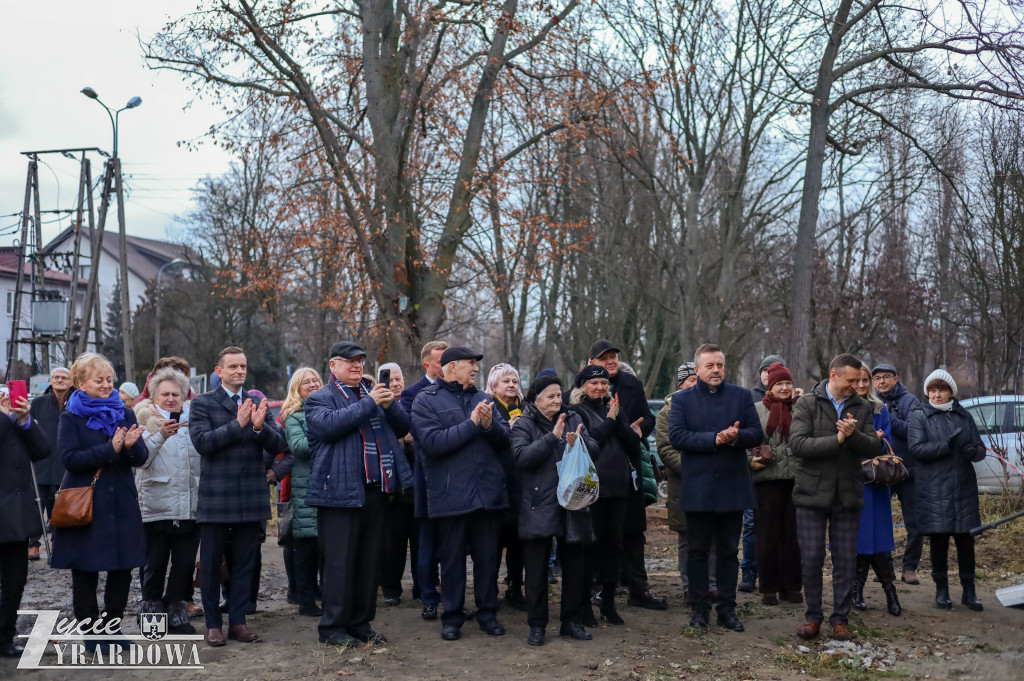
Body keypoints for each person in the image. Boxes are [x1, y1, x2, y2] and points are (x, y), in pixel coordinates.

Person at [306, 342, 414, 647]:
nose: (357, 365)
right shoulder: (319, 399)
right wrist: (370, 404)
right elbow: (329, 427)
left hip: (376, 490)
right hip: (338, 492)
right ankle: (332, 628)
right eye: (350, 361)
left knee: (369, 562)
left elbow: (404, 427)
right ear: (333, 365)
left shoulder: (374, 394)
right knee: (340, 563)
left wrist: (390, 404)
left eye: (361, 361)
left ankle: (361, 622)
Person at [411, 346, 511, 641]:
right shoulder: (424, 401)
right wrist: (471, 424)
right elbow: (433, 444)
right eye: (470, 364)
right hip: (451, 495)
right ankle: (451, 617)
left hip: (487, 495)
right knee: (452, 561)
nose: (476, 369)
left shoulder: (484, 399)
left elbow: (505, 440)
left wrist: (491, 425)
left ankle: (487, 614)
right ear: (451, 366)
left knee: (488, 559)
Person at [189, 346, 286, 647]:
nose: (239, 371)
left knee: (246, 562)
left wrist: (259, 428)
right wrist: (238, 425)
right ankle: (213, 624)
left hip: (251, 496)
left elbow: (279, 442)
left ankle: (239, 621)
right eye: (233, 367)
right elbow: (202, 443)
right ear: (219, 371)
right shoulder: (203, 403)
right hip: (218, 496)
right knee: (211, 561)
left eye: (243, 366)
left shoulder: (257, 401)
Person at [51, 353, 148, 650]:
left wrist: (130, 448)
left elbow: (141, 457)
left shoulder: (125, 413)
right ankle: (91, 632)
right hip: (87, 504)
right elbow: (70, 459)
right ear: (81, 383)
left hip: (121, 504)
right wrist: (111, 449)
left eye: (109, 380)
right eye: (99, 380)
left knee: (122, 569)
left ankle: (112, 627)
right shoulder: (71, 416)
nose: (106, 385)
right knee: (85, 571)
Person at [668, 343, 762, 633]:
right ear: (697, 370)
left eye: (720, 364)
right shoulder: (682, 400)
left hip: (732, 487)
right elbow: (677, 436)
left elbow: (757, 433)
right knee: (696, 552)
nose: (716, 370)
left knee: (727, 552)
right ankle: (699, 609)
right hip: (697, 487)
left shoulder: (741, 396)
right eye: (709, 365)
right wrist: (714, 440)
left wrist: (735, 437)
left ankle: (726, 608)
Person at [790, 353, 880, 641]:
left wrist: (853, 436)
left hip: (847, 493)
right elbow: (798, 444)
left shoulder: (862, 406)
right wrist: (838, 440)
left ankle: (840, 619)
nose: (856, 385)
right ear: (833, 375)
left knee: (845, 560)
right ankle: (813, 617)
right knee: (812, 557)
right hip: (811, 493)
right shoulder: (807, 403)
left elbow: (873, 447)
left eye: (859, 380)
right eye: (850, 380)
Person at [511, 373, 599, 646]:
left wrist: (579, 442)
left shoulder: (573, 417)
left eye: (558, 395)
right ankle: (537, 625)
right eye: (550, 396)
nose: (556, 400)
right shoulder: (523, 424)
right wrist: (553, 437)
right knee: (536, 570)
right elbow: (521, 458)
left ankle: (570, 622)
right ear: (535, 400)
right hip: (537, 504)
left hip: (572, 504)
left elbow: (595, 447)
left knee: (574, 567)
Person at [587, 341, 665, 611]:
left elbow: (648, 416)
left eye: (614, 357)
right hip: (597, 468)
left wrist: (641, 428)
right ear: (591, 362)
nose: (610, 362)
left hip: (629, 465)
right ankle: (597, 587)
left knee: (634, 531)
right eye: (604, 358)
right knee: (598, 532)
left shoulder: (632, 384)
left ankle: (638, 588)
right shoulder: (581, 388)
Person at [568, 364, 644, 625]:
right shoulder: (576, 411)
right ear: (583, 387)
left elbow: (633, 442)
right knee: (591, 548)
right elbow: (592, 441)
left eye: (603, 383)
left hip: (619, 487)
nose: (600, 387)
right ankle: (584, 605)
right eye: (594, 383)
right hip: (592, 490)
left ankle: (609, 602)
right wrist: (612, 420)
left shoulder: (614, 408)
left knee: (614, 547)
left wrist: (617, 420)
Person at [908, 369, 986, 612]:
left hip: (962, 486)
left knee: (966, 540)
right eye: (932, 390)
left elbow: (980, 447)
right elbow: (917, 449)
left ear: (951, 392)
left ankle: (969, 591)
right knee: (939, 540)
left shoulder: (963, 416)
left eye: (941, 390)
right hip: (933, 488)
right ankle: (941, 590)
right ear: (927, 392)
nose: (937, 395)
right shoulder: (919, 415)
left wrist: (973, 452)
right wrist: (946, 445)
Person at [133, 367, 202, 634]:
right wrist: (161, 434)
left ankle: (176, 611)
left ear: (184, 396)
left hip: (188, 505)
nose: (171, 399)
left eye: (176, 394)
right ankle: (151, 613)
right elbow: (141, 459)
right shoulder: (143, 419)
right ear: (155, 396)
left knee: (183, 565)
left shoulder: (194, 421)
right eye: (165, 394)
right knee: (154, 565)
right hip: (155, 504)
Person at [656, 362, 717, 603]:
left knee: (711, 536)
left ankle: (711, 585)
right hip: (684, 484)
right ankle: (689, 587)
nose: (696, 385)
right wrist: (695, 468)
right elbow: (665, 449)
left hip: (712, 483)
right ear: (681, 384)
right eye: (691, 380)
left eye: (698, 380)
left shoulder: (714, 407)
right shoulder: (668, 412)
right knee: (687, 538)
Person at [400, 340, 448, 620]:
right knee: (427, 542)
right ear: (427, 364)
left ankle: (451, 595)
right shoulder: (411, 394)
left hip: (454, 479)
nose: (447, 365)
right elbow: (412, 433)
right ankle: (427, 596)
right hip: (427, 477)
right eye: (441, 360)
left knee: (452, 543)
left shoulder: (461, 392)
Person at [0, 389, 50, 658]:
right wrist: (5, 418)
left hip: (15, 517)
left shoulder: (13, 420)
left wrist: (25, 421)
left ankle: (5, 636)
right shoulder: (3, 419)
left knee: (14, 582)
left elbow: (43, 450)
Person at [749, 362, 802, 605]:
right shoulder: (757, 409)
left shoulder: (801, 409)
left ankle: (791, 587)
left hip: (795, 481)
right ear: (769, 387)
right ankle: (768, 588)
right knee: (766, 536)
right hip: (766, 481)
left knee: (792, 537)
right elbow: (745, 440)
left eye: (787, 383)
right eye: (778, 383)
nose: (783, 387)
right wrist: (750, 460)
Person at [852, 363, 902, 616]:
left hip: (876, 483)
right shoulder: (842, 407)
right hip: (852, 483)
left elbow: (889, 445)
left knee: (881, 542)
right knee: (858, 542)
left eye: (865, 380)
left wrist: (880, 441)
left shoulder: (879, 408)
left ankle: (890, 592)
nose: (861, 385)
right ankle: (857, 590)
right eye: (857, 380)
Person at [871, 363, 923, 584]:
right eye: (877, 378)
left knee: (915, 523)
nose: (881, 381)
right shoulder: (870, 401)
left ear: (896, 378)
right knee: (879, 521)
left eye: (886, 377)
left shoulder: (910, 400)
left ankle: (909, 568)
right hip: (880, 470)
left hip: (908, 470)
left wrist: (887, 419)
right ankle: (885, 568)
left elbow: (913, 432)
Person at [281, 368, 324, 617]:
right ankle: (305, 600)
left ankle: (327, 595)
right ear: (296, 388)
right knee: (306, 546)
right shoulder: (293, 415)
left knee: (327, 546)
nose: (312, 383)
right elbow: (299, 447)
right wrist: (328, 432)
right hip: (306, 485)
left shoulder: (329, 408)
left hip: (330, 484)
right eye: (306, 382)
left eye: (315, 379)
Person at [377, 363, 420, 606]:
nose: (395, 384)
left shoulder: (412, 402)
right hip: (391, 487)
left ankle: (421, 587)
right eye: (390, 379)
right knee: (393, 542)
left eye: (398, 379)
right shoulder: (376, 406)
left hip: (414, 484)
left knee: (419, 540)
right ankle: (391, 589)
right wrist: (401, 439)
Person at [740, 354, 784, 592]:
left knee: (780, 527)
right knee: (750, 524)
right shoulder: (749, 397)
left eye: (774, 370)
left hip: (783, 476)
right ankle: (748, 571)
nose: (769, 374)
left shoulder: (792, 400)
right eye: (765, 370)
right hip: (756, 475)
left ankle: (775, 574)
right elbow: (741, 433)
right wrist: (749, 460)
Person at [486, 363, 526, 611]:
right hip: (495, 484)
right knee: (492, 543)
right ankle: (489, 590)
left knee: (517, 542)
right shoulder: (489, 407)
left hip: (520, 485)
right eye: (505, 381)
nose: (511, 385)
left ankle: (515, 587)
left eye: (514, 381)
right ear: (494, 385)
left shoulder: (524, 409)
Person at [28, 366, 72, 561]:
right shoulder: (38, 403)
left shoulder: (77, 403)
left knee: (60, 506)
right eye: (56, 377)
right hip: (42, 462)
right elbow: (27, 427)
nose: (59, 380)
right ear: (51, 381)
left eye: (64, 377)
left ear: (71, 382)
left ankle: (59, 543)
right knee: (37, 506)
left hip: (66, 462)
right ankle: (33, 544)